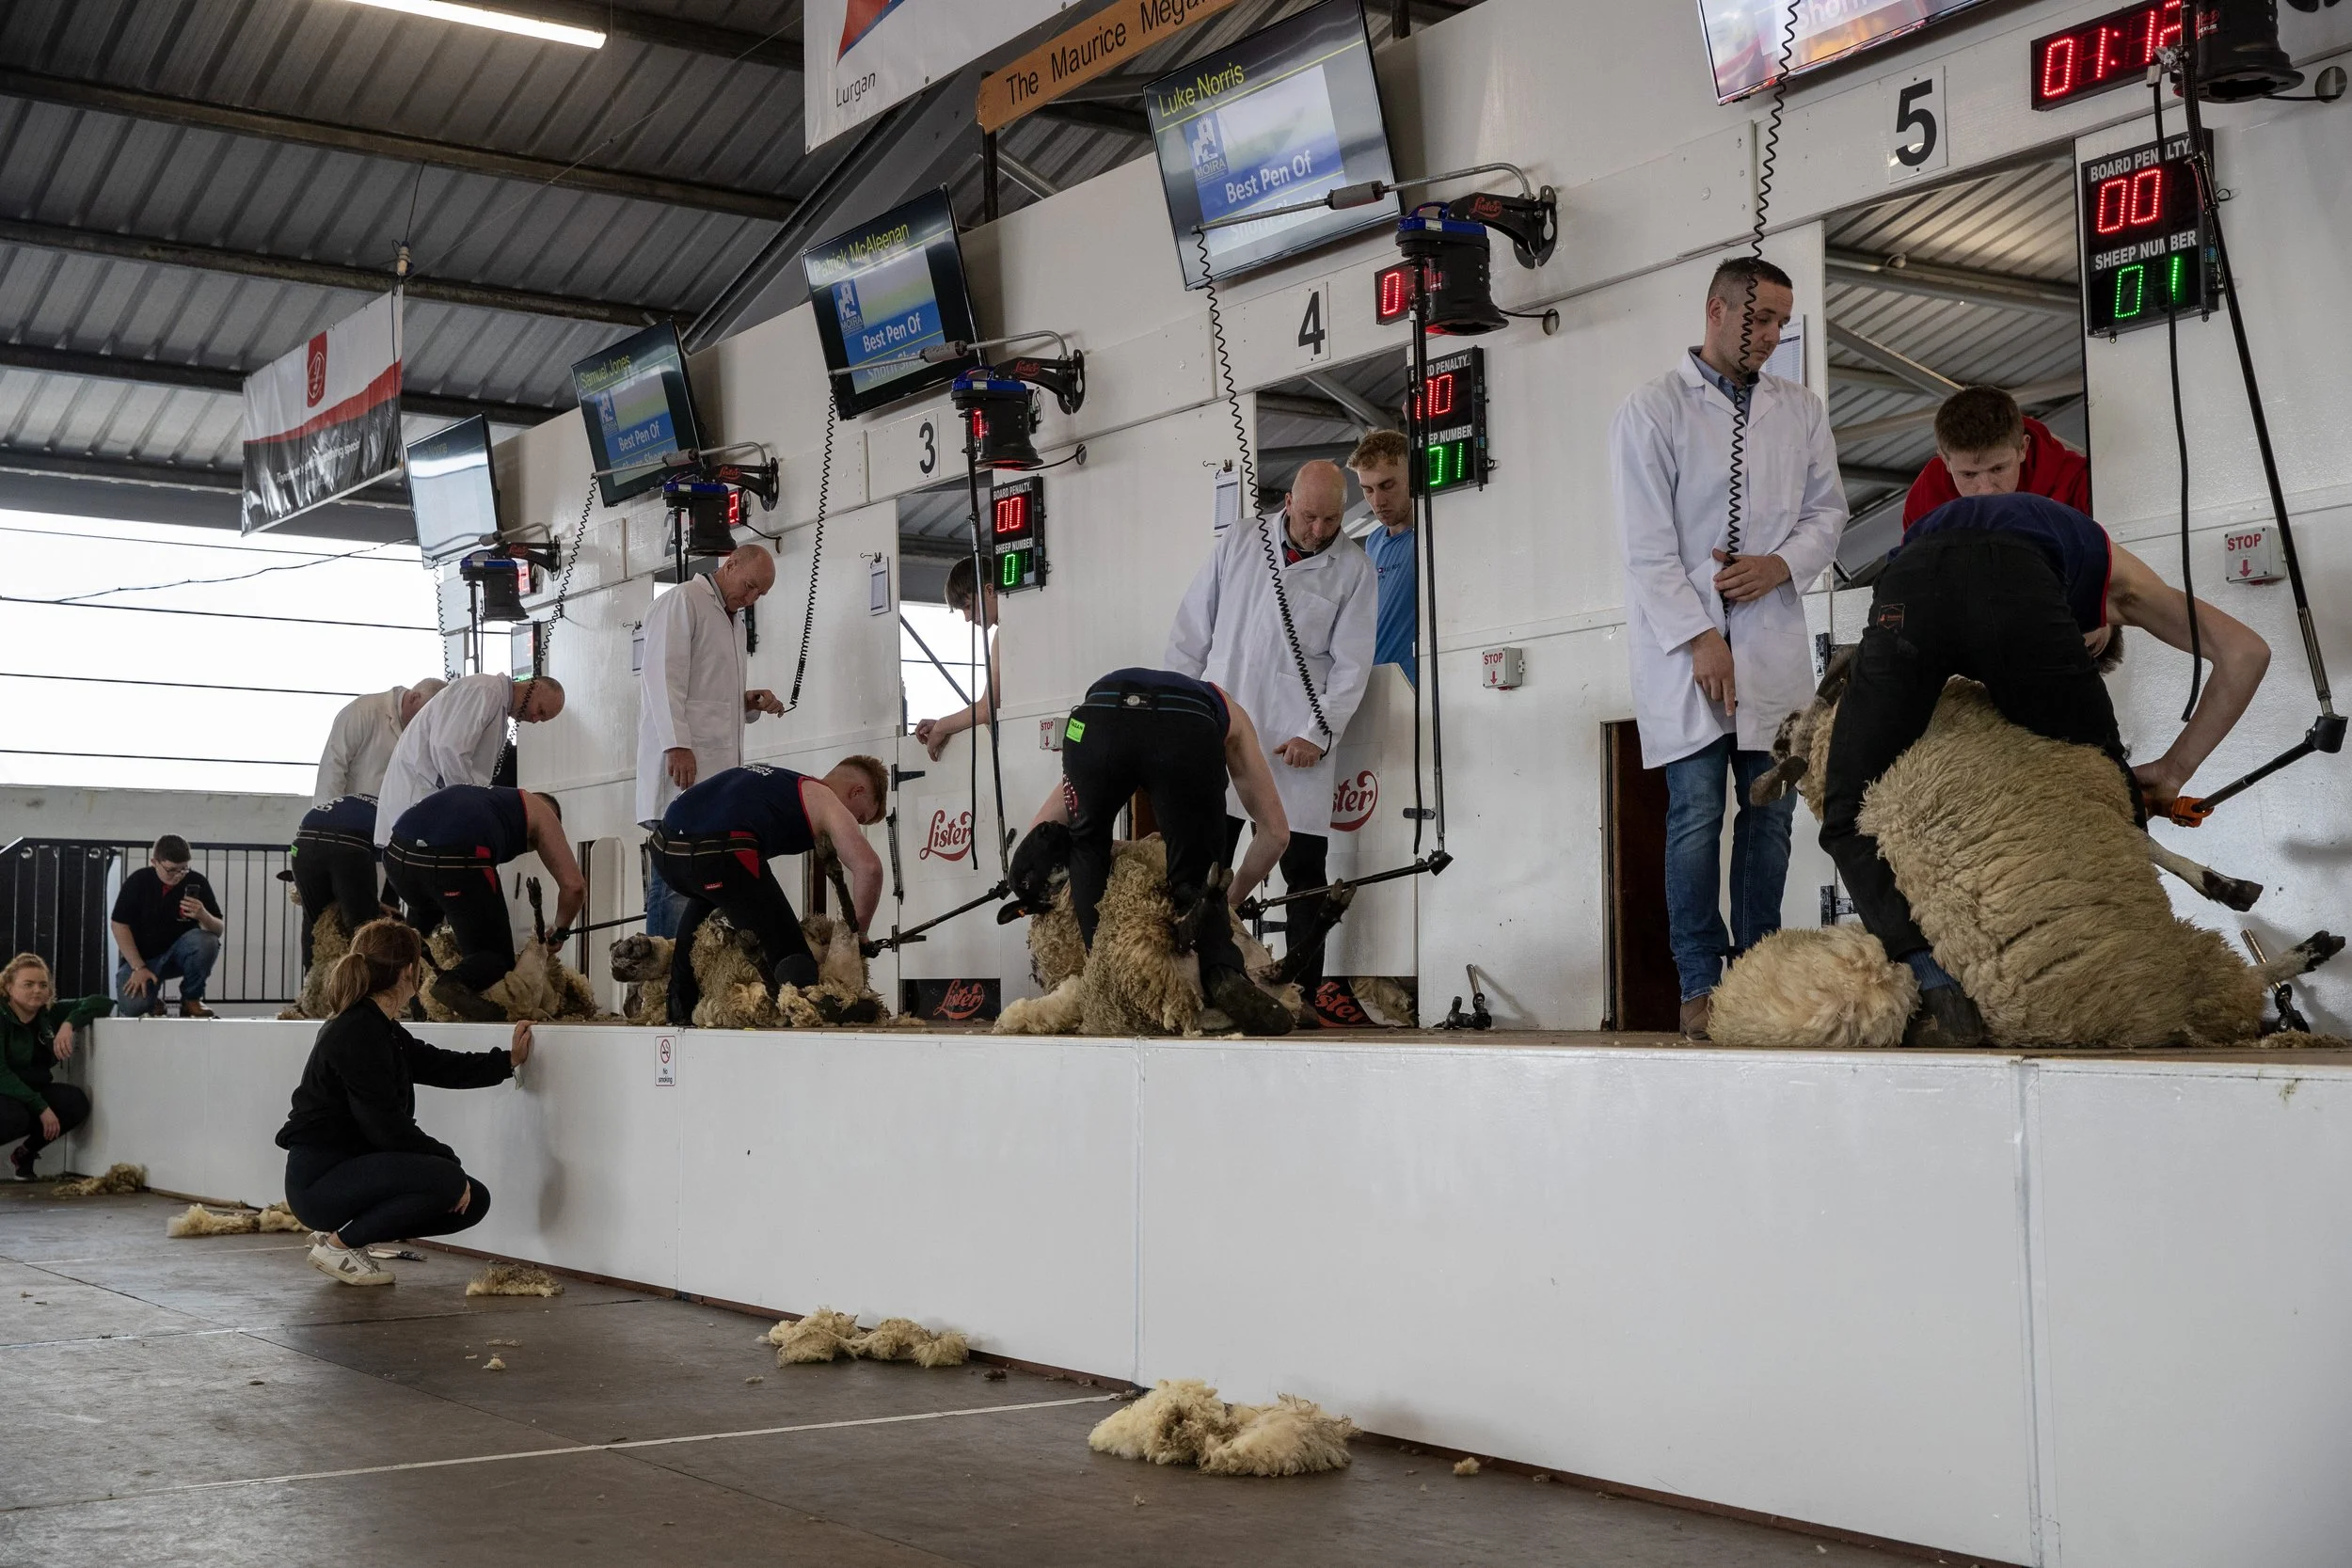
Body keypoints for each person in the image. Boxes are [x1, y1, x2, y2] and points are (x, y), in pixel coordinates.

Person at [1822, 491, 2270, 1047]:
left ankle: (1935, 985)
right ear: (2096, 625)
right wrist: (2173, 771)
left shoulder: (2035, 537)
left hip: (1908, 581)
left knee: (1845, 810)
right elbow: (2248, 652)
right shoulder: (2126, 588)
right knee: (2104, 787)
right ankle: (2130, 974)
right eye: (2080, 652)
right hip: (2014, 581)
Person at [1610, 256, 1848, 1038]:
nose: (1775, 336)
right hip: (1686, 650)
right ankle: (1700, 983)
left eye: (1783, 321)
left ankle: (1759, 971)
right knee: (1694, 813)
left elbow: (1829, 513)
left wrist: (1780, 564)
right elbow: (1646, 548)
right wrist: (1702, 637)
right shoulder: (1651, 410)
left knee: (1771, 816)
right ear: (1716, 311)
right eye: (1762, 319)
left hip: (1773, 640)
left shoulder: (1801, 409)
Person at [1167, 459, 1375, 1025]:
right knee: (1206, 860)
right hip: (1224, 731)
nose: (1318, 530)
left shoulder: (1355, 570)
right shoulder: (1239, 542)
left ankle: (1301, 996)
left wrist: (1319, 732)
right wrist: (1185, 715)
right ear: (1288, 502)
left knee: (1304, 869)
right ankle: (1198, 981)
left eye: (1331, 519)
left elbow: (1352, 666)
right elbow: (1191, 633)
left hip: (1293, 744)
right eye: (1309, 517)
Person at [1009, 668, 1295, 1036]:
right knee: (1194, 876)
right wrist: (1229, 900)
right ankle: (1222, 971)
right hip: (1184, 726)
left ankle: (1102, 968)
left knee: (1086, 847)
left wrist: (1032, 884)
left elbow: (1042, 830)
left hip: (1093, 722)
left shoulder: (1115, 698)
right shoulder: (1231, 716)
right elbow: (1276, 835)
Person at [276, 919, 528, 1286]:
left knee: (474, 1200)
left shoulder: (379, 1026)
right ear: (409, 970)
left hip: (350, 1171)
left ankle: (349, 1241)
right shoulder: (356, 1030)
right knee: (446, 1179)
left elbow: (437, 1064)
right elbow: (385, 1126)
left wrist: (507, 1061)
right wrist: (447, 1162)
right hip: (319, 1185)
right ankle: (339, 1245)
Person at [648, 757, 887, 1025]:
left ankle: (678, 1011)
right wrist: (856, 938)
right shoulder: (826, 800)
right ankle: (811, 1009)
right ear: (857, 791)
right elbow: (869, 869)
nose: (855, 824)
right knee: (792, 956)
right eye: (860, 817)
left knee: (709, 895)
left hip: (664, 849)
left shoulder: (781, 780)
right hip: (720, 853)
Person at [636, 546, 785, 939]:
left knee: (702, 895)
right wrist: (676, 745)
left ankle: (685, 986)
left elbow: (706, 694)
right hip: (682, 771)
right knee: (674, 888)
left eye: (760, 595)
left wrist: (747, 702)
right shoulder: (683, 601)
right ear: (729, 563)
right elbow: (661, 679)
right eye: (750, 586)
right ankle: (661, 989)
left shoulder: (733, 621)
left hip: (714, 781)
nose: (751, 598)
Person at [382, 785, 584, 1022]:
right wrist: (558, 933)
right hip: (454, 860)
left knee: (419, 929)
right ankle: (451, 983)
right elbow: (574, 887)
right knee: (494, 956)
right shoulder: (544, 814)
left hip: (397, 858)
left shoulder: (491, 799)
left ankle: (413, 1000)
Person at [373, 672, 565, 849]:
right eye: (540, 710)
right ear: (536, 686)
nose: (534, 719)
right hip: (417, 802)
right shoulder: (485, 690)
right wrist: (468, 807)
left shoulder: (498, 711)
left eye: (542, 719)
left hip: (426, 808)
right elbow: (448, 749)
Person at [1900, 386, 2090, 531]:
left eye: (1998, 469)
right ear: (1945, 460)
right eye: (1968, 474)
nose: (1986, 489)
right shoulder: (1923, 504)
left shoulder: (2080, 484)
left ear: (2023, 447)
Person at [1, 954, 108, 1181]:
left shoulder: (49, 1014)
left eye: (43, 984)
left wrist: (70, 1023)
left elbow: (102, 1002)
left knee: (74, 1102)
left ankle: (23, 1155)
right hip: (5, 1092)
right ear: (9, 987)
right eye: (28, 984)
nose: (37, 990)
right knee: (14, 1116)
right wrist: (40, 1107)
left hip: (30, 1090)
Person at [110, 834, 225, 1019]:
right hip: (143, 958)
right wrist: (138, 967)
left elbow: (218, 930)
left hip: (180, 953)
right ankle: (152, 1001)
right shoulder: (138, 881)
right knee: (133, 1007)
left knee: (207, 941)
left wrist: (203, 915)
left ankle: (191, 999)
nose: (178, 876)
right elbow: (119, 925)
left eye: (183, 869)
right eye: (171, 870)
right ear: (154, 862)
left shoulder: (197, 881)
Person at [1347, 429, 1418, 686]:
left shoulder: (1430, 535)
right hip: (1375, 685)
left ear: (1413, 476)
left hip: (1415, 686)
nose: (1378, 501)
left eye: (1387, 486)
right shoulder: (1374, 541)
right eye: (1368, 489)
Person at [913, 558, 1000, 762]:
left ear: (990, 590)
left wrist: (942, 727)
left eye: (968, 606)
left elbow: (987, 709)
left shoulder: (1005, 635)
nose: (967, 618)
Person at [292, 794, 388, 974]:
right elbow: (392, 863)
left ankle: (312, 984)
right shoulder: (392, 811)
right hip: (349, 844)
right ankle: (365, 986)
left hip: (303, 844)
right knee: (362, 926)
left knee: (314, 919)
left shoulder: (354, 802)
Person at [313, 679, 447, 804]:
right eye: (424, 716)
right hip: (353, 820)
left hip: (399, 821)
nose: (426, 725)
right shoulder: (361, 711)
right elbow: (332, 767)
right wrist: (328, 819)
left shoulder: (430, 731)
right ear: (414, 698)